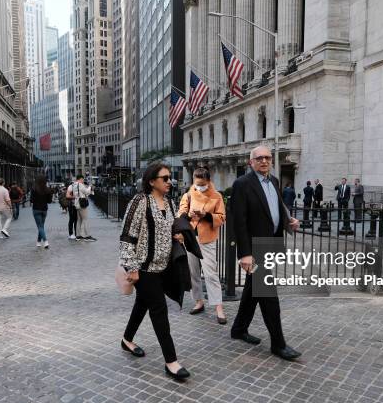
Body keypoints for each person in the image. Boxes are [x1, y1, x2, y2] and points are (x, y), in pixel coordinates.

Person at [229, 145, 302, 361]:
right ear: (251, 162)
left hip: (270, 244)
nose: (264, 161)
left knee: (254, 290)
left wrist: (290, 221)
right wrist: (245, 254)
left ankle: (239, 329)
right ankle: (278, 344)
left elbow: (276, 208)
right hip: (254, 248)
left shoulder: (274, 181)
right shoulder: (242, 184)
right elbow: (238, 221)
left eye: (267, 158)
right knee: (268, 294)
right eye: (259, 158)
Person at [120, 163, 190, 380]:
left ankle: (126, 340)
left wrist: (177, 236)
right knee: (159, 310)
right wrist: (131, 267)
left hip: (164, 266)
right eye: (165, 178)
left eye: (170, 178)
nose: (170, 181)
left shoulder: (169, 203)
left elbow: (167, 229)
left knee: (142, 304)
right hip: (143, 267)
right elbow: (127, 236)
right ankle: (171, 361)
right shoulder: (140, 202)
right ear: (152, 181)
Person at [178, 167, 227, 325]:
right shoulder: (188, 194)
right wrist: (188, 215)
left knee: (211, 274)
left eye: (203, 184)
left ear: (208, 181)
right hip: (191, 238)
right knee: (193, 273)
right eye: (197, 184)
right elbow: (180, 214)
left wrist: (205, 215)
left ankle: (219, 307)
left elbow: (222, 218)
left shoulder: (216, 196)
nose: (200, 187)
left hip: (208, 239)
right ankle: (198, 301)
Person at [71, 175, 96, 242]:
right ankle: (87, 236)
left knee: (79, 220)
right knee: (85, 219)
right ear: (81, 179)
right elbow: (86, 192)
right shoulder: (80, 185)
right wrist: (90, 187)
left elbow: (80, 193)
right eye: (83, 179)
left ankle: (78, 236)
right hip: (82, 204)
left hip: (77, 203)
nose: (83, 180)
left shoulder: (74, 185)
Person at [31, 175, 53, 248]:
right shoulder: (47, 190)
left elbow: (31, 200)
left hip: (36, 209)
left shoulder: (34, 189)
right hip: (44, 210)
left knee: (40, 227)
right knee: (41, 226)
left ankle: (45, 241)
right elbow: (49, 201)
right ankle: (38, 242)